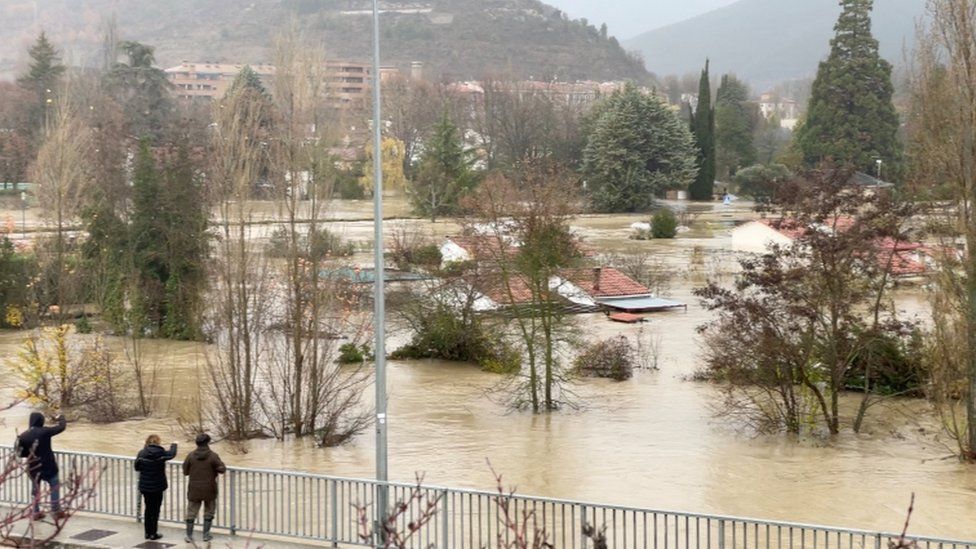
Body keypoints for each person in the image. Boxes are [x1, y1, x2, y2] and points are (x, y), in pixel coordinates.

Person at [16, 412, 67, 521]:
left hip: (33, 468)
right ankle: (56, 510)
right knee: (54, 486)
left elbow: (19, 453)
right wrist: (60, 417)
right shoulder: (45, 431)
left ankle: (35, 512)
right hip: (49, 466)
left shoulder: (23, 436)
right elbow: (61, 427)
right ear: (41, 421)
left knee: (35, 490)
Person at [183, 433, 225, 542]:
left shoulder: (190, 455)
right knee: (209, 511)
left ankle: (189, 536)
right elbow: (222, 469)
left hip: (194, 488)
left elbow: (185, 471)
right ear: (208, 442)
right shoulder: (213, 456)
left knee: (191, 512)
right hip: (209, 488)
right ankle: (206, 535)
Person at [134, 435, 178, 540]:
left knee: (148, 509)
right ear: (158, 442)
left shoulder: (142, 453)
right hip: (157, 486)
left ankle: (147, 533)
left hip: (145, 486)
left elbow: (136, 467)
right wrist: (174, 444)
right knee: (155, 509)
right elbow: (172, 454)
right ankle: (153, 533)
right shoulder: (160, 453)